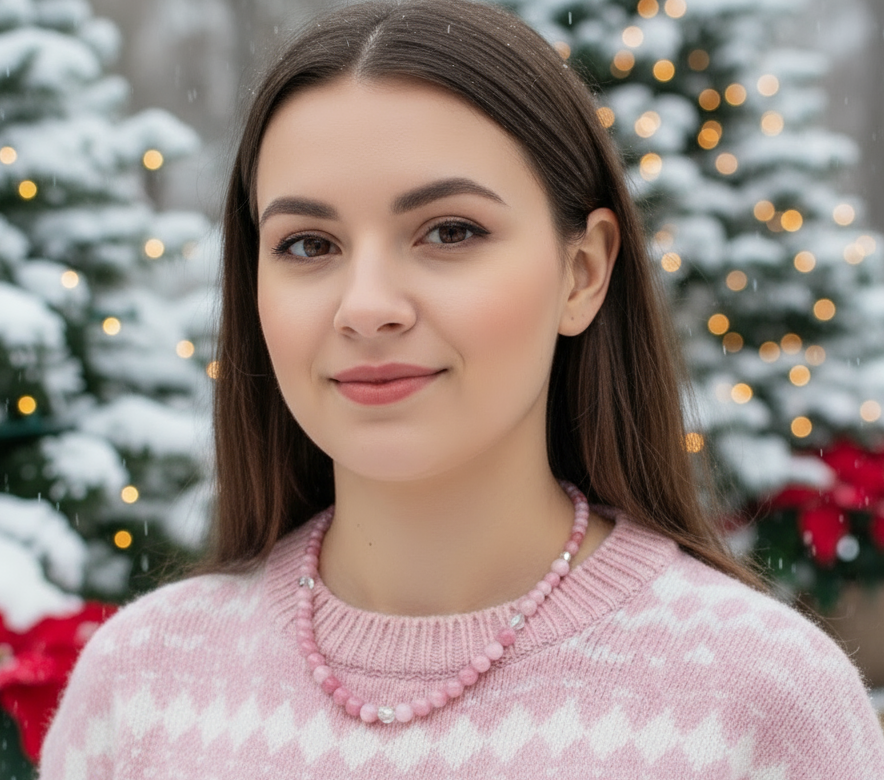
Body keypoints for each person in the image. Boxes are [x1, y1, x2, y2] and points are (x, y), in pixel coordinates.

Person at [39, 0, 884, 777]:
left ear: (582, 272)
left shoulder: (760, 702)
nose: (366, 307)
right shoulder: (139, 685)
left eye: (450, 231)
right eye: (307, 244)